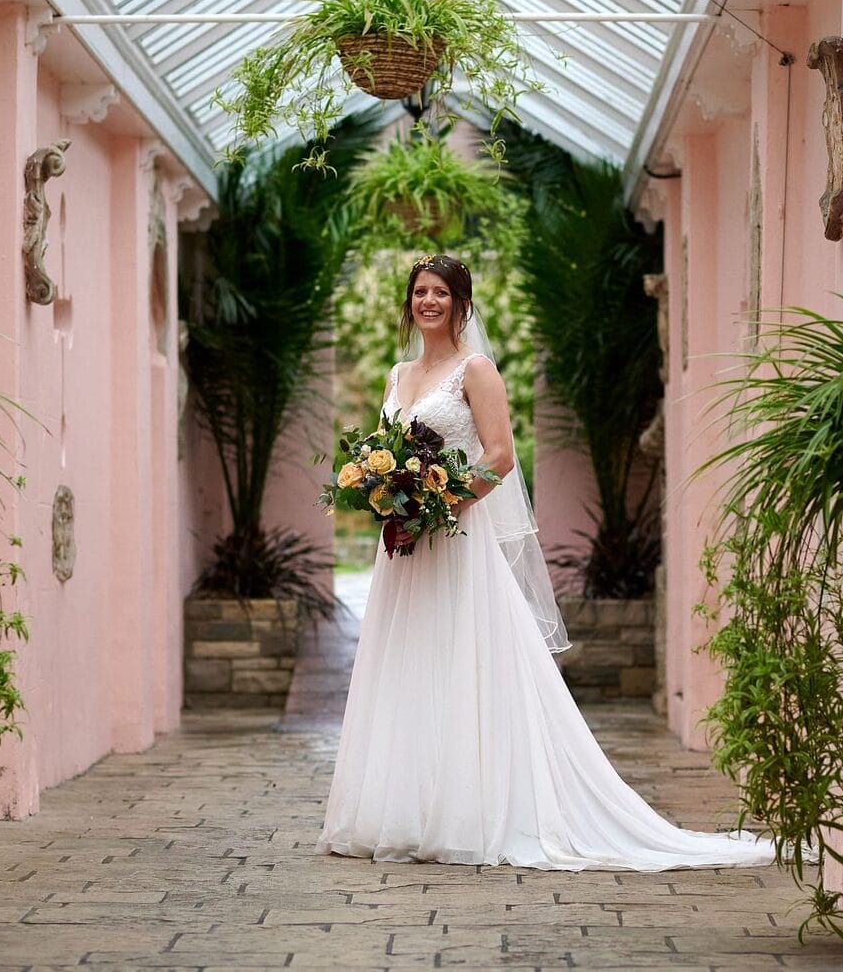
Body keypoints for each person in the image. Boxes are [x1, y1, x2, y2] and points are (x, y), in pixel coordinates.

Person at [314, 254, 776, 872]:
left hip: (454, 535)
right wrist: (386, 493)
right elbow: (385, 452)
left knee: (463, 660)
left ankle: (469, 813)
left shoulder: (475, 371)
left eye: (441, 294)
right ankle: (401, 809)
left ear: (461, 304)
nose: (429, 302)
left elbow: (500, 457)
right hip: (404, 544)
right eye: (420, 292)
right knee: (407, 660)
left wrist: (437, 503)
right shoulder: (398, 376)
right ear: (409, 302)